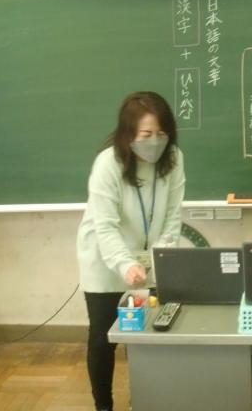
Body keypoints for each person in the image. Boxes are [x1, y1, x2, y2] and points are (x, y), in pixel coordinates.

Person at [76, 91, 185, 411]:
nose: (155, 142)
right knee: (103, 337)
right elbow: (105, 226)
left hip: (149, 258)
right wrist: (125, 264)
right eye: (146, 134)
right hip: (104, 259)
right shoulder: (108, 164)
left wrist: (161, 257)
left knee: (150, 332)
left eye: (162, 134)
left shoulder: (174, 159)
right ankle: (104, 406)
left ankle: (148, 400)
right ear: (128, 133)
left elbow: (173, 216)